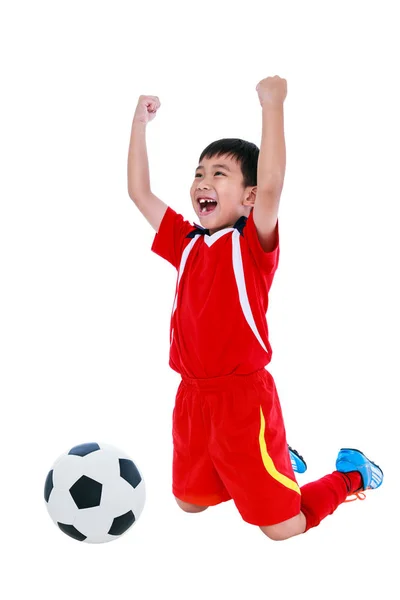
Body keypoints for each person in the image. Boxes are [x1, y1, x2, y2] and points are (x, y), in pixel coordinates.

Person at [126, 76, 383, 541]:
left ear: (248, 196)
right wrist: (138, 125)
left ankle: (352, 476)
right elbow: (139, 193)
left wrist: (273, 105)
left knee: (283, 529)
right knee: (189, 504)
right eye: (199, 173)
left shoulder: (250, 244)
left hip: (243, 401)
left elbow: (273, 185)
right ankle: (277, 459)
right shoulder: (185, 245)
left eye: (218, 173)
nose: (202, 182)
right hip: (192, 398)